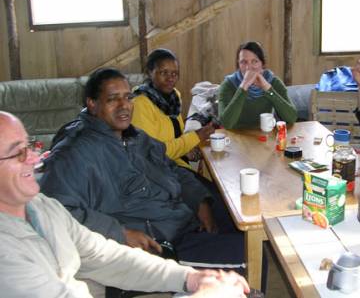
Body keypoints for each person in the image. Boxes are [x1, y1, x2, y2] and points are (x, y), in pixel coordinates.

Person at [0, 111, 249, 298]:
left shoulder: (41, 207)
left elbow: (105, 256)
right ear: (92, 105)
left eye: (30, 146)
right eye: (18, 152)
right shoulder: (6, 254)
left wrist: (191, 279)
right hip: (164, 236)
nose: (35, 159)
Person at [39, 67, 245, 273]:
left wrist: (200, 202)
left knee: (238, 223)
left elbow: (171, 167)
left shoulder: (134, 137)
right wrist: (120, 233)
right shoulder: (74, 152)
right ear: (92, 104)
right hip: (159, 243)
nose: (124, 106)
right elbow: (55, 210)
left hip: (180, 217)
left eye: (127, 97)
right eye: (112, 99)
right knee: (246, 254)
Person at [132, 48, 214, 169]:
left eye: (174, 74)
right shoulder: (140, 104)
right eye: (163, 73)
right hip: (158, 171)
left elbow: (175, 136)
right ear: (150, 72)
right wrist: (196, 137)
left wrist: (186, 152)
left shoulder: (173, 96)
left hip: (175, 163)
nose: (170, 78)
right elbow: (154, 153)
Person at [218, 41, 297, 129]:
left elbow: (292, 118)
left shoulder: (273, 82)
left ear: (262, 64)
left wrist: (268, 89)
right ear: (238, 64)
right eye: (244, 62)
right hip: (236, 137)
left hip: (264, 136)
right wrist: (243, 87)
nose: (249, 67)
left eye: (255, 61)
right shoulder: (228, 84)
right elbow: (226, 123)